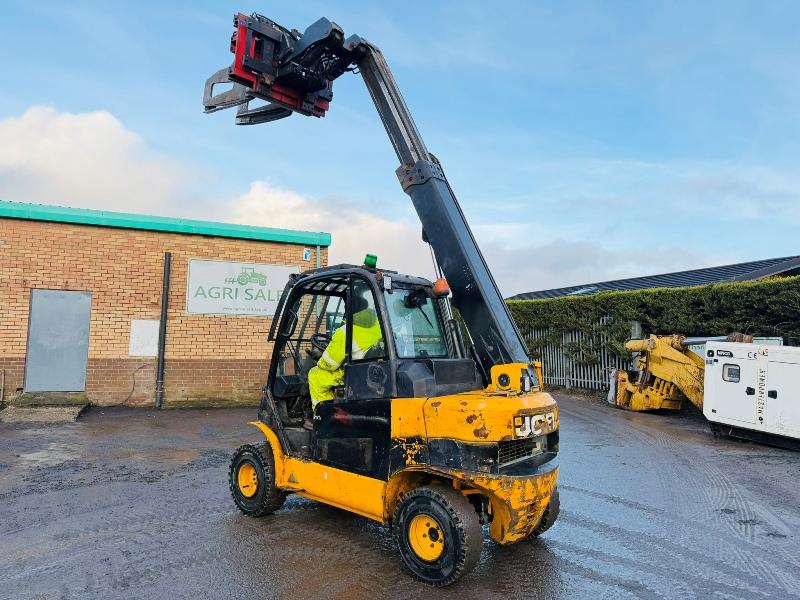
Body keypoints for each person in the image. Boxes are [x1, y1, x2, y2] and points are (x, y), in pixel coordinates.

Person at [308, 294, 383, 408]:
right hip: (374, 369)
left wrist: (320, 359)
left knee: (315, 374)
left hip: (355, 373)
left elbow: (330, 364)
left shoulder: (345, 332)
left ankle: (323, 414)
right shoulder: (378, 324)